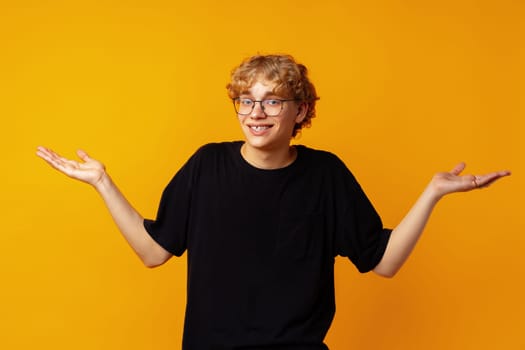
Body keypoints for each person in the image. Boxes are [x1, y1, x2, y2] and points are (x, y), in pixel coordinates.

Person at [36, 54, 510, 350]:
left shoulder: (326, 174)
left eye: (272, 101)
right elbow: (153, 251)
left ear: (301, 111)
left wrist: (432, 193)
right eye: (246, 100)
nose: (256, 113)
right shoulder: (206, 165)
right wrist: (102, 181)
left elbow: (382, 262)